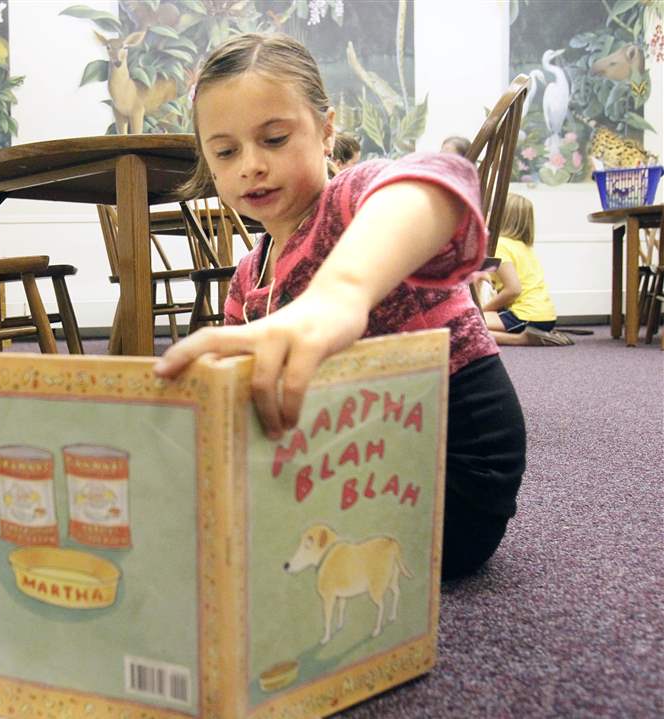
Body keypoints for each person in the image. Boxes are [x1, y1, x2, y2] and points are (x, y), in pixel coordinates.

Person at [156, 34, 525, 580]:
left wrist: (342, 292)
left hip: (451, 470)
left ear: (327, 131)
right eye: (226, 151)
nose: (251, 165)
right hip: (348, 453)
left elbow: (442, 181)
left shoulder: (351, 201)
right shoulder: (246, 279)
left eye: (275, 139)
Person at [479, 194, 572, 346]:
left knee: (466, 325)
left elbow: (513, 289)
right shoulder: (521, 246)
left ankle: (521, 338)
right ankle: (541, 334)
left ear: (501, 216)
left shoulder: (500, 245)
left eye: (490, 211)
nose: (487, 214)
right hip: (543, 315)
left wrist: (483, 310)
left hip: (525, 315)